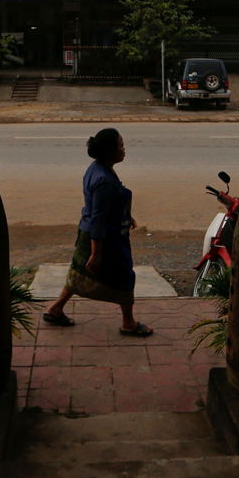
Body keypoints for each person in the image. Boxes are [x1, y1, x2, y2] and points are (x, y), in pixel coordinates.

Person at [42, 128, 152, 337]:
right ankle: (128, 323)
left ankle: (55, 309)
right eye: (120, 145)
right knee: (124, 277)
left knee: (79, 273)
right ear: (110, 151)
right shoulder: (104, 180)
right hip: (104, 239)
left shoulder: (98, 168)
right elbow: (99, 217)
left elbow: (105, 207)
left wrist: (127, 217)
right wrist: (96, 253)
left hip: (90, 233)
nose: (124, 149)